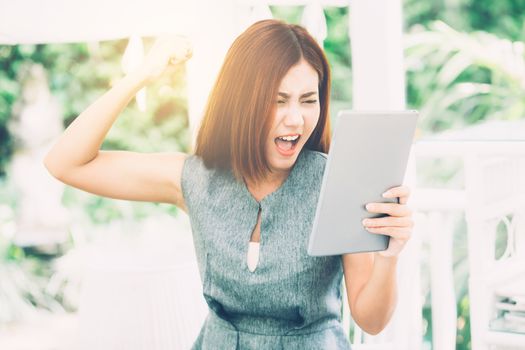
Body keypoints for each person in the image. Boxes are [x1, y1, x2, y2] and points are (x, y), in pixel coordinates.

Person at [44, 19, 413, 350]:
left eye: (308, 100)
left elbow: (372, 320)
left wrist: (388, 256)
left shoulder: (337, 181)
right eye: (278, 101)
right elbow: (66, 162)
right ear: (243, 102)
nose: (296, 120)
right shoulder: (196, 178)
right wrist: (143, 74)